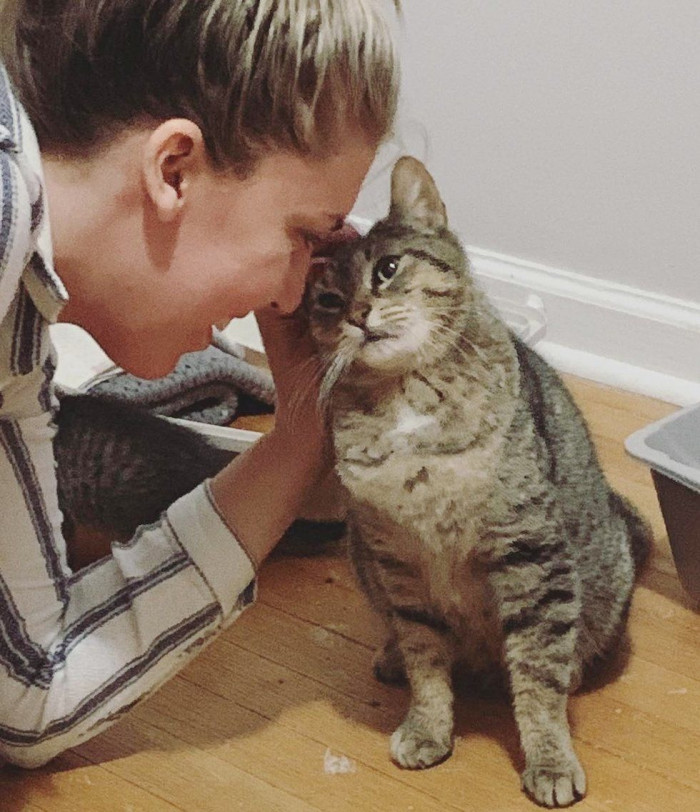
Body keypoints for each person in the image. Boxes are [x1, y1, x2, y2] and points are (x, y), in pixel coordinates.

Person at [0, 0, 400, 768]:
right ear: (173, 170)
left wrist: (300, 436)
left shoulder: (17, 334)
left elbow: (30, 690)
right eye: (304, 236)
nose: (291, 296)